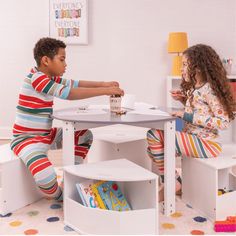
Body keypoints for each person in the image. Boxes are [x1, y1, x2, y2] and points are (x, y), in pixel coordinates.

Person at [10, 37, 124, 201]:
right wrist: (104, 91)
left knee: (84, 135)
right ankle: (61, 196)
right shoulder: (37, 78)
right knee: (45, 176)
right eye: (62, 59)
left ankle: (71, 175)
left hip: (46, 135)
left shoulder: (49, 78)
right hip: (26, 139)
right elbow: (68, 93)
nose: (65, 64)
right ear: (46, 60)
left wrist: (105, 84)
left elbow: (75, 84)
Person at [146, 44, 235, 201]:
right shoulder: (196, 88)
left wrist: (186, 115)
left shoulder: (209, 90)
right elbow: (201, 112)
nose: (181, 69)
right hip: (194, 139)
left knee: (154, 135)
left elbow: (224, 122)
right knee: (152, 149)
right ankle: (174, 182)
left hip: (207, 143)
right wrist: (184, 101)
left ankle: (172, 182)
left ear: (199, 68)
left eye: (185, 65)